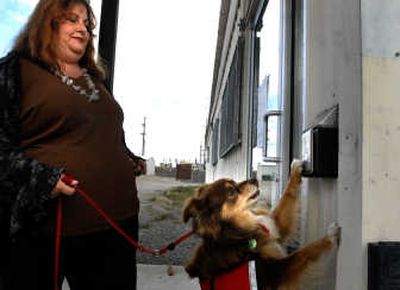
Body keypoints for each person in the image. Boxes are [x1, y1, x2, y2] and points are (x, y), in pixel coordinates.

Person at [0, 0, 146, 289]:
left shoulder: (94, 79)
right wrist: (41, 177)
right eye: (72, 19)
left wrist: (126, 156)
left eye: (86, 24)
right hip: (47, 230)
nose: (83, 28)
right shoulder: (15, 70)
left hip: (118, 224)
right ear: (48, 22)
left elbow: (97, 130)